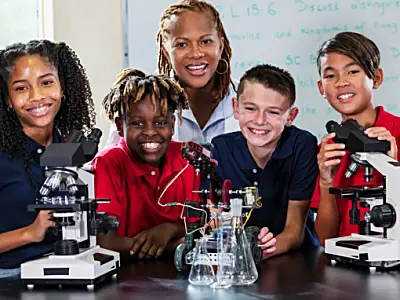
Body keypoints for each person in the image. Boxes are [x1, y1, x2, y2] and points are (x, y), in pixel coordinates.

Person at [0, 40, 96, 272]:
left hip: (66, 266)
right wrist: (30, 233)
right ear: (7, 100)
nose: (37, 96)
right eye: (21, 88)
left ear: (63, 87)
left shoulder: (68, 146)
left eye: (46, 83)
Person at [209, 64, 319, 260]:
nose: (260, 120)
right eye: (250, 108)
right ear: (236, 108)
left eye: (273, 112)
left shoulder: (302, 146)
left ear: (290, 116)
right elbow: (214, 215)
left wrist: (258, 251)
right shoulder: (221, 149)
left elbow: (294, 233)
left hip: (293, 260)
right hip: (236, 255)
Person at [93, 68, 200, 260]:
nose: (150, 132)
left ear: (173, 123)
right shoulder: (108, 163)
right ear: (120, 125)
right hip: (123, 281)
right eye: (137, 123)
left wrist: (169, 229)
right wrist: (173, 246)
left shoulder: (188, 158)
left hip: (180, 278)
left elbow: (199, 223)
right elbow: (106, 243)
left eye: (160, 123)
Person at [106, 0, 239, 146]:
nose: (195, 53)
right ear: (166, 53)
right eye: (182, 44)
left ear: (221, 46)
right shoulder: (136, 100)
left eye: (206, 41)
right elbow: (111, 162)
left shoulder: (250, 101)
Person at [311, 31, 400, 246]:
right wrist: (326, 182)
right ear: (322, 88)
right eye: (330, 76)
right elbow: (326, 239)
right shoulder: (327, 150)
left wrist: (393, 167)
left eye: (352, 71)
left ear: (376, 78)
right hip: (346, 267)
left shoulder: (396, 131)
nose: (341, 82)